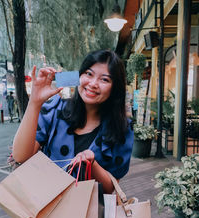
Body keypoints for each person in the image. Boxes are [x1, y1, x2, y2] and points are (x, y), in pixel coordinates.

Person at [13, 49, 134, 193]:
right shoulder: (55, 109)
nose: (93, 83)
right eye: (89, 74)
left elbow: (109, 188)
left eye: (104, 79)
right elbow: (21, 156)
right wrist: (35, 102)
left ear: (115, 88)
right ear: (79, 76)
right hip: (44, 207)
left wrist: (92, 164)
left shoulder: (122, 129)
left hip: (88, 212)